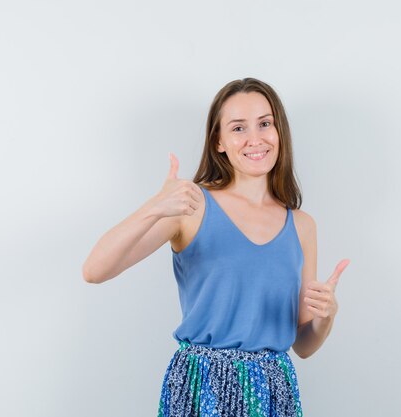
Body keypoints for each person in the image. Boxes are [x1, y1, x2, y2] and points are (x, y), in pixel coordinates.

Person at [82, 77, 350, 417]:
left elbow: (304, 344)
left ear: (279, 131)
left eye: (265, 123)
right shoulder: (191, 207)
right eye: (238, 128)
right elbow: (94, 270)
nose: (255, 138)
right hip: (201, 386)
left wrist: (326, 317)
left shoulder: (302, 225)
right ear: (219, 141)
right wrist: (155, 207)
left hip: (272, 391)